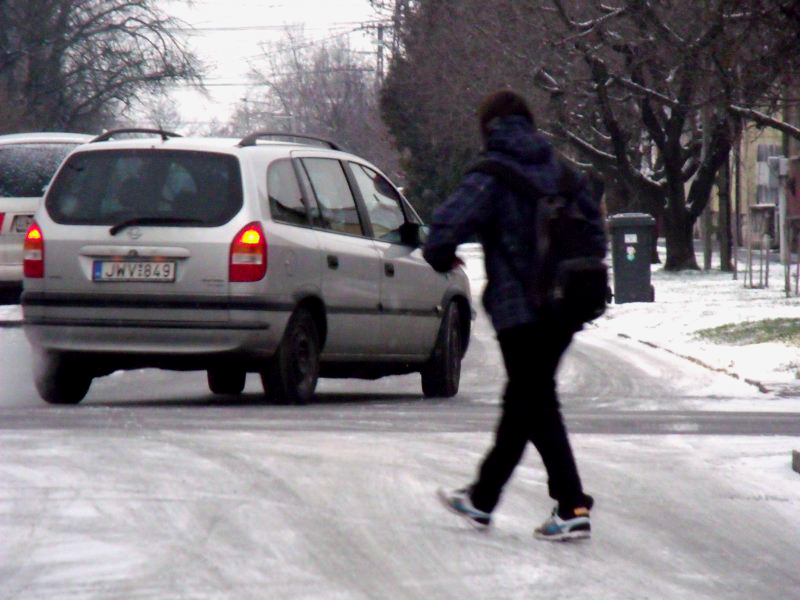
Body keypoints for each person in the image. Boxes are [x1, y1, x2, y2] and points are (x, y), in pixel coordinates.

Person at [423, 89, 607, 541]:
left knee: (536, 400)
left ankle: (572, 503)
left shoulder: (491, 175)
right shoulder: (564, 172)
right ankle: (483, 499)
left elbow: (442, 232)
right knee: (523, 400)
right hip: (568, 306)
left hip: (519, 310)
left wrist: (443, 256)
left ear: (488, 129)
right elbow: (598, 238)